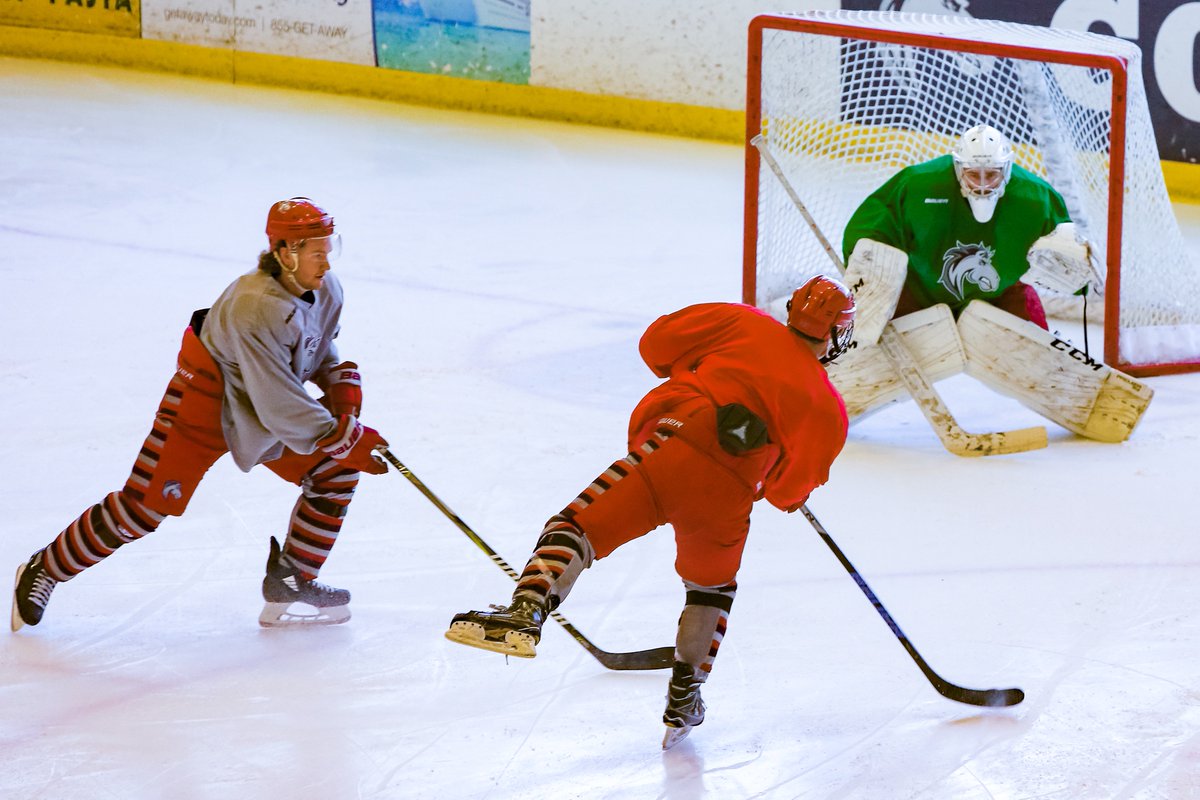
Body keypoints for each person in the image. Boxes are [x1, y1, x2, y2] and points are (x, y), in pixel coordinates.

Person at [444, 275, 856, 748]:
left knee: (577, 527)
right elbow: (787, 494)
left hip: (671, 445)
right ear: (837, 333)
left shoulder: (744, 322)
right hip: (728, 491)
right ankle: (685, 695)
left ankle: (526, 610)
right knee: (712, 588)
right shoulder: (828, 408)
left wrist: (696, 368)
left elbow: (656, 345)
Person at [11, 197, 389, 632]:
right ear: (285, 252)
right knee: (144, 509)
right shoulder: (255, 304)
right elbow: (279, 402)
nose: (326, 261)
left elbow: (312, 349)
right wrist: (344, 437)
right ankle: (45, 567)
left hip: (264, 410)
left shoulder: (327, 288)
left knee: (335, 471)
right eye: (316, 251)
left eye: (329, 248)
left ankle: (292, 580)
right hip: (203, 406)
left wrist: (340, 388)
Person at [831, 123, 1152, 443]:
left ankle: (1093, 403)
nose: (983, 185)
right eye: (974, 175)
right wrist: (873, 276)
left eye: (992, 175)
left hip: (998, 295)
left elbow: (1064, 251)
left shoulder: (1035, 197)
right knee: (871, 352)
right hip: (919, 290)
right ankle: (830, 401)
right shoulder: (918, 183)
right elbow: (870, 228)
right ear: (958, 169)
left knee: (1036, 355)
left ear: (1007, 170)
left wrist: (1077, 269)